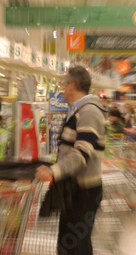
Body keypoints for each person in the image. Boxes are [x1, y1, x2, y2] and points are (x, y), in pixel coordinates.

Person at [35, 66, 107, 255]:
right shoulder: (77, 111)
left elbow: (81, 154)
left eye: (63, 85)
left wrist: (53, 171)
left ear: (73, 85)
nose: (61, 90)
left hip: (84, 191)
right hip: (75, 189)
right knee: (70, 244)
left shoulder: (89, 112)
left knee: (75, 247)